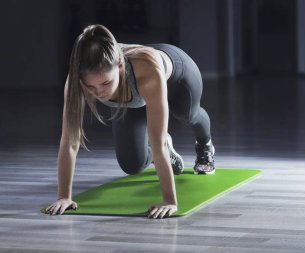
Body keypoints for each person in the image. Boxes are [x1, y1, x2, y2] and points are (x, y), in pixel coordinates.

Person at [44, 24, 215, 219]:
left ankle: (205, 144)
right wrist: (64, 196)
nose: (99, 93)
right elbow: (69, 141)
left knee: (187, 115)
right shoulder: (75, 82)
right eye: (91, 87)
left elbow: (156, 143)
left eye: (105, 83)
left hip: (178, 77)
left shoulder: (148, 71)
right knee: (131, 164)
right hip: (133, 95)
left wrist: (169, 201)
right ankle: (171, 146)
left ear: (119, 66)